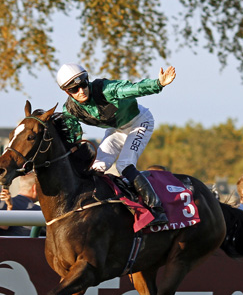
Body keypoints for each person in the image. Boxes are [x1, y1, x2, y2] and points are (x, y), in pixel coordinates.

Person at [55, 62, 176, 225]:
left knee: (124, 165)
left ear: (87, 80)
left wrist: (158, 84)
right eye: (74, 89)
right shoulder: (70, 110)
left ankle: (156, 209)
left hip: (140, 122)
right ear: (66, 92)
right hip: (116, 129)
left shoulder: (106, 89)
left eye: (83, 84)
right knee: (96, 168)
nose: (81, 91)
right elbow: (71, 136)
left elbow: (134, 88)